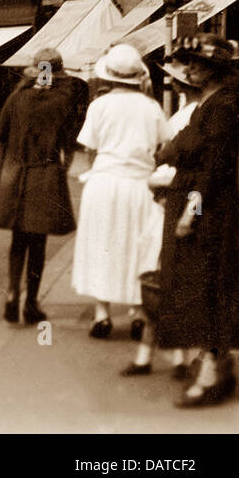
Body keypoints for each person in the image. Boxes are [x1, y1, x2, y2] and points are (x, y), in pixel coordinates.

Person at [154, 34, 239, 407]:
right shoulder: (207, 105)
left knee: (208, 289)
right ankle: (217, 365)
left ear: (216, 68)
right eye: (187, 62)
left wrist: (191, 214)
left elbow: (214, 171)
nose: (188, 68)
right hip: (197, 204)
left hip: (209, 214)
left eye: (196, 63)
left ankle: (211, 374)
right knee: (197, 288)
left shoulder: (221, 108)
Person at [71, 44, 172, 341]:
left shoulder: (99, 106)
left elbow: (90, 148)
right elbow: (162, 147)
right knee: (137, 247)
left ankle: (102, 314)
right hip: (138, 185)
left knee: (102, 245)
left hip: (104, 184)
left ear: (109, 77)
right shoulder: (152, 108)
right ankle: (138, 312)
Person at [0, 46, 80, 325]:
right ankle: (31, 303)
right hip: (46, 174)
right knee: (38, 242)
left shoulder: (18, 97)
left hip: (15, 174)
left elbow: (0, 134)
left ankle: (12, 294)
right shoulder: (64, 99)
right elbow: (70, 142)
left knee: (18, 240)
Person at [125, 60, 200, 379]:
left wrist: (155, 181)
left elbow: (177, 171)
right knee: (169, 283)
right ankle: (172, 359)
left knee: (161, 283)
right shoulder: (200, 114)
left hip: (175, 209)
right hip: (186, 207)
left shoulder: (188, 118)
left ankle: (169, 359)